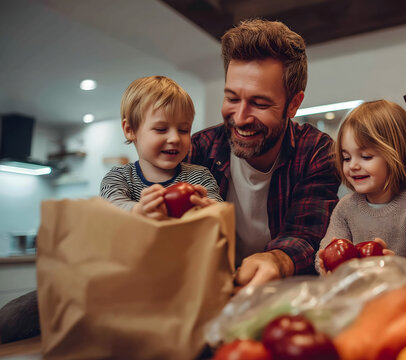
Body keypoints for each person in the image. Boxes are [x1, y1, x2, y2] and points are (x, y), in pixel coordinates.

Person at [188, 19, 340, 287]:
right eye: (232, 98)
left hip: (284, 297)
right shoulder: (199, 149)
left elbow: (306, 234)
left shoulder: (316, 151)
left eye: (259, 103)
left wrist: (277, 260)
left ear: (293, 104)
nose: (241, 117)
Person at [316, 100, 406, 273]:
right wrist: (325, 266)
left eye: (365, 156)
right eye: (346, 158)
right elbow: (324, 254)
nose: (353, 166)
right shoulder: (345, 207)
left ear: (399, 155)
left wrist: (397, 267)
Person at [100, 76, 223, 218]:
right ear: (130, 130)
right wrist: (140, 210)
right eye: (161, 129)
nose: (175, 138)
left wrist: (209, 208)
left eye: (183, 130)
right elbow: (111, 207)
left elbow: (218, 210)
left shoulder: (200, 176)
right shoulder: (118, 177)